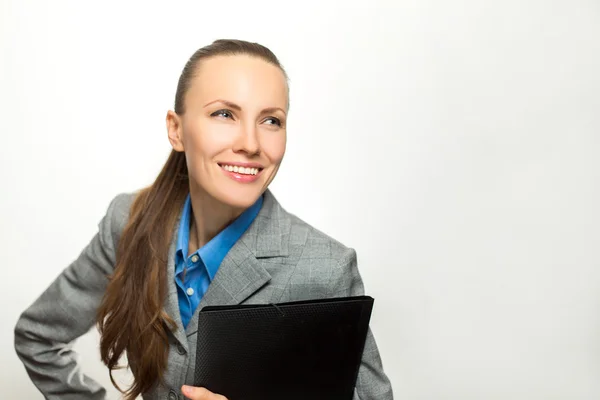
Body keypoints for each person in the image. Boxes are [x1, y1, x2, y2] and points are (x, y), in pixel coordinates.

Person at [14, 39, 394, 400]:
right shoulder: (127, 222)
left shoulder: (324, 269)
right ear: (176, 130)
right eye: (224, 114)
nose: (250, 143)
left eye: (271, 120)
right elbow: (38, 336)